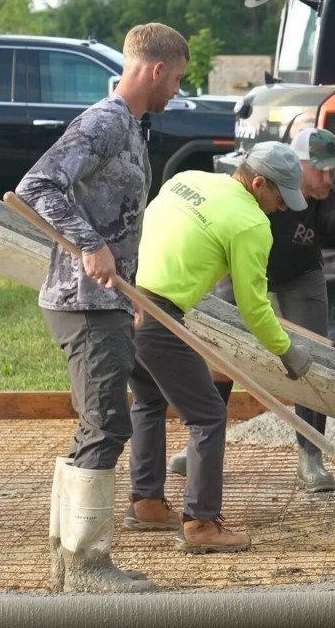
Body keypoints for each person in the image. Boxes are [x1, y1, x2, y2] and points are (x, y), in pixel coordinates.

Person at [16, 22, 189, 593]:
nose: (177, 93)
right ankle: (87, 566)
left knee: (103, 420)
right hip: (82, 300)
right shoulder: (105, 121)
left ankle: (68, 562)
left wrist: (129, 294)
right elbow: (39, 186)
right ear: (156, 69)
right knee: (106, 422)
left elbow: (122, 221)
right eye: (178, 80)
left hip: (107, 302)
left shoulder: (132, 129)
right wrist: (89, 245)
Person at [168, 128, 335, 492]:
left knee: (311, 358)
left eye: (334, 171)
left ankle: (310, 455)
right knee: (220, 355)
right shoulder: (255, 189)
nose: (328, 179)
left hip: (301, 276)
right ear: (296, 166)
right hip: (237, 268)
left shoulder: (334, 207)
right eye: (320, 171)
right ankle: (201, 449)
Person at [125, 140, 315, 554]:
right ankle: (201, 524)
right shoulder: (250, 223)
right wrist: (286, 350)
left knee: (148, 400)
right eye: (280, 197)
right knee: (209, 414)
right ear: (259, 182)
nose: (282, 207)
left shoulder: (186, 180)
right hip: (158, 314)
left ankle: (147, 502)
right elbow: (254, 306)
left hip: (123, 302)